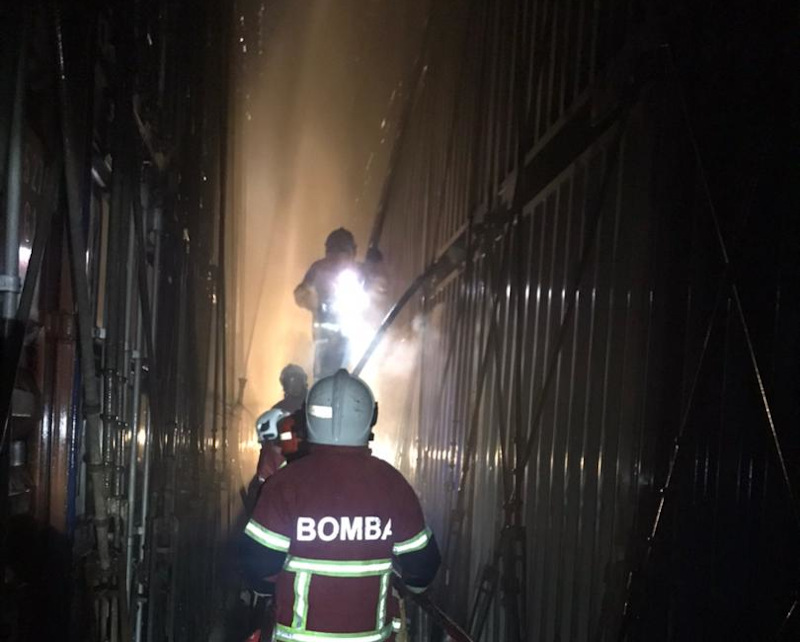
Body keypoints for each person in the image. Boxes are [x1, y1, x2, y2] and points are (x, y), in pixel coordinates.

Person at [239, 370, 441, 641]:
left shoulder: (285, 484)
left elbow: (258, 568)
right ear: (369, 419)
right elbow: (423, 567)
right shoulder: (393, 485)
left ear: (308, 420)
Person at [294, 229, 367, 380]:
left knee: (348, 373)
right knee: (322, 376)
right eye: (333, 251)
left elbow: (370, 295)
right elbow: (300, 293)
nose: (337, 258)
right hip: (323, 336)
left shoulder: (359, 272)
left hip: (348, 334)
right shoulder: (318, 269)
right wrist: (312, 301)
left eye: (342, 251)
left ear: (352, 253)